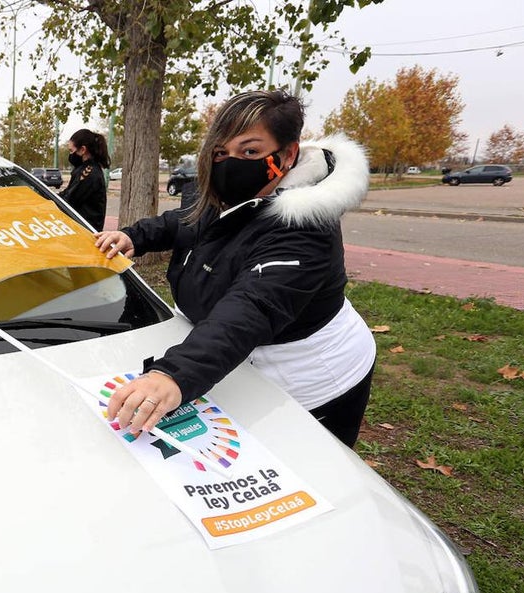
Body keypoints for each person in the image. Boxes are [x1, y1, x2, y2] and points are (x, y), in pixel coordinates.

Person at [94, 89, 375, 447]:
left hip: (310, 376)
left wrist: (172, 376)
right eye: (221, 152)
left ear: (288, 153)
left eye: (250, 152)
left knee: (304, 459)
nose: (231, 163)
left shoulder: (304, 227)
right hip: (233, 360)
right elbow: (186, 222)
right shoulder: (231, 197)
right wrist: (135, 236)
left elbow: (252, 307)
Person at [57, 128, 110, 231]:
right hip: (81, 228)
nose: (70, 155)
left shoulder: (89, 172)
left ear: (82, 150)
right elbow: (67, 193)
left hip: (85, 231)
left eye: (71, 151)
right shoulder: (86, 168)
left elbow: (69, 200)